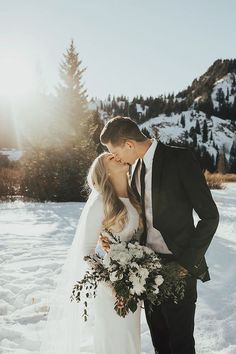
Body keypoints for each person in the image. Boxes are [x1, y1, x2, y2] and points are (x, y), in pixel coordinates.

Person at [100, 116, 220, 354]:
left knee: (181, 345)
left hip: (180, 266)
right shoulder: (135, 168)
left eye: (116, 152)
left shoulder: (180, 158)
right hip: (147, 269)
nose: (117, 159)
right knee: (160, 343)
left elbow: (210, 217)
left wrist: (186, 264)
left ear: (129, 144)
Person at [39, 151, 143, 354]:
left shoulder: (134, 197)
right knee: (115, 340)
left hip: (135, 282)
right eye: (111, 159)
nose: (118, 156)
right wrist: (111, 285)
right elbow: (86, 251)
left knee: (131, 338)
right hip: (112, 287)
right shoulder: (101, 203)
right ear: (105, 172)